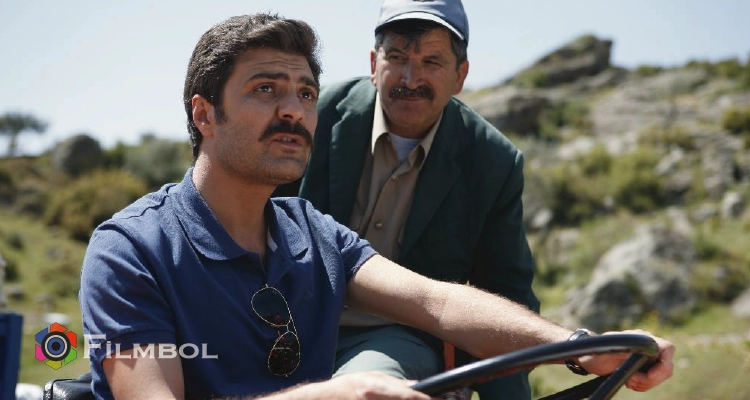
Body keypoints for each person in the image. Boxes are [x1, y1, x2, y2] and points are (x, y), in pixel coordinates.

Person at [79, 12, 675, 400]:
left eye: (305, 93)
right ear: (204, 113)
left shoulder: (312, 232)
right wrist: (337, 395)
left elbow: (439, 302)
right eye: (266, 89)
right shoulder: (131, 251)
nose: (293, 110)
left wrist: (581, 345)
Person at [272, 1, 537, 398]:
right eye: (397, 57)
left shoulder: (493, 161)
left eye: (432, 62)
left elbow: (506, 289)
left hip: (396, 337)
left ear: (460, 75)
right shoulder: (313, 116)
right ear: (373, 63)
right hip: (283, 319)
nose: (411, 79)